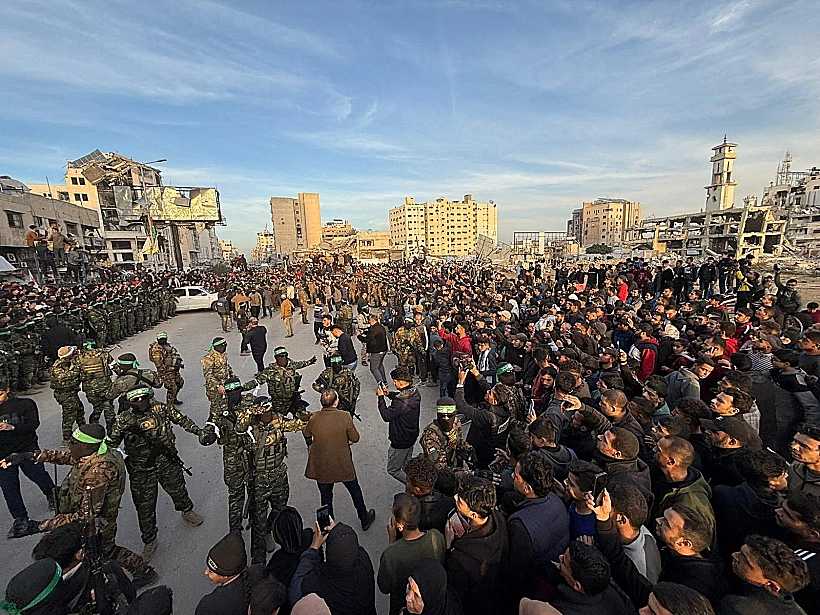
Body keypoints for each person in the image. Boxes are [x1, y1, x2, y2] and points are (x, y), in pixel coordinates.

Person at [106, 386, 215, 562]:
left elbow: (183, 421)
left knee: (178, 489)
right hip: (141, 469)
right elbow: (111, 444)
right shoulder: (124, 419)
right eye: (136, 400)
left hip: (167, 461)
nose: (141, 402)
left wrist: (200, 432)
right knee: (144, 506)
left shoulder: (162, 409)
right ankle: (149, 539)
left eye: (144, 398)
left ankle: (187, 511)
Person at [235, 396, 309, 565]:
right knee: (258, 521)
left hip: (278, 474)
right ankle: (258, 561)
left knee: (280, 508)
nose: (266, 412)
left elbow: (296, 425)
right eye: (263, 409)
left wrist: (304, 417)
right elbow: (238, 428)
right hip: (259, 478)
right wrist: (249, 411)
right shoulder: (249, 426)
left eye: (268, 408)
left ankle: (270, 529)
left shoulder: (278, 419)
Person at [303, 389, 376, 530]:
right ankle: (364, 518)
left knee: (325, 497)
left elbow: (306, 433)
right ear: (336, 402)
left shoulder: (314, 417)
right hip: (342, 462)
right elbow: (355, 438)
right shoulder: (345, 416)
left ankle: (327, 526)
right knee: (355, 490)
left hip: (322, 464)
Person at [507, 452, 569, 603]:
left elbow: (515, 572)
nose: (512, 477)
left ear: (527, 488)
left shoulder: (521, 526)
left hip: (535, 587)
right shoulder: (556, 500)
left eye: (516, 476)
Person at [444, 475, 508, 615]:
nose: (455, 498)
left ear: (473, 515)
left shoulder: (461, 559)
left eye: (460, 500)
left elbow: (455, 593)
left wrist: (448, 546)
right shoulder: (498, 519)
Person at [0, 385, 55, 539]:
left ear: (7, 390)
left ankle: (52, 493)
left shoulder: (25, 404)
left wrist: (12, 427)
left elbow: (33, 424)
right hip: (3, 455)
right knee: (9, 487)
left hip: (26, 448)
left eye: (0, 394)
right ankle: (20, 519)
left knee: (37, 475)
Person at [377, 492, 445, 614]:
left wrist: (392, 542)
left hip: (402, 604)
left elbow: (384, 587)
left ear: (400, 525)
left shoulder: (391, 554)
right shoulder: (436, 537)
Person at [290, 520, 377, 615]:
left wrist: (314, 548)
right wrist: (338, 532)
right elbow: (351, 547)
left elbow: (295, 593)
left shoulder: (317, 583)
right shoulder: (363, 561)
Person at [721, 534, 810, 615]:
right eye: (740, 552)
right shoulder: (799, 612)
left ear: (771, 585)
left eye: (746, 561)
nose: (734, 555)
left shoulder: (738, 607)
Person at [551, 541, 636, 615]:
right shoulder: (606, 585)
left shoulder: (561, 610)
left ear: (577, 585)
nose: (560, 557)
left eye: (563, 562)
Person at [378, 366, 421, 483]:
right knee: (407, 465)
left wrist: (381, 397)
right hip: (411, 435)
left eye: (395, 381)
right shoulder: (415, 393)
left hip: (400, 439)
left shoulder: (400, 403)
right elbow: (400, 395)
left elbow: (386, 416)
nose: (394, 383)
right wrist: (389, 394)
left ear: (400, 382)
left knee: (393, 469)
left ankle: (412, 485)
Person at [196, 532, 252, 615]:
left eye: (211, 571)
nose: (205, 572)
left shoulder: (209, 607)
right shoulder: (259, 574)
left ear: (225, 576)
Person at [405, 455, 455, 534]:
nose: (406, 484)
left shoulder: (411, 512)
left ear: (417, 489)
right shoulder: (451, 503)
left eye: (408, 481)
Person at [420, 397, 474, 471]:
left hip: (452, 461)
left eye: (450, 415)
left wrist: (468, 450)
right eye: (442, 415)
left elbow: (458, 441)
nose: (446, 418)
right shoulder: (430, 435)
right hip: (439, 472)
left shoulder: (456, 422)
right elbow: (438, 465)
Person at [50, 345, 85, 447]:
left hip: (70, 393)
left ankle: (83, 428)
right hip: (65, 394)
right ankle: (66, 439)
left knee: (79, 409)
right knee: (69, 415)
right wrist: (78, 369)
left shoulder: (66, 363)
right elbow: (68, 377)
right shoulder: (60, 366)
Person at [312, 353, 361, 419]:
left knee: (347, 420)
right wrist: (323, 390)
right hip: (332, 404)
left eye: (339, 363)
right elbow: (315, 384)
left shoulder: (348, 372)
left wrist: (354, 398)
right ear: (331, 364)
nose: (337, 365)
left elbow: (357, 384)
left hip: (346, 402)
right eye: (335, 363)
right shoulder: (328, 373)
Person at [148, 332, 185, 406]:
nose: (163, 340)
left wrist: (178, 362)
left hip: (173, 369)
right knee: (172, 387)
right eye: (161, 339)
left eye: (164, 338)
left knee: (179, 383)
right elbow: (159, 366)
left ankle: (173, 399)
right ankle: (170, 406)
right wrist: (172, 368)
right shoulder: (156, 350)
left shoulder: (167, 346)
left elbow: (173, 354)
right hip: (165, 372)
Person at [358, 313, 388, 384]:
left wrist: (359, 336)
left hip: (376, 351)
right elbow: (371, 332)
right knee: (380, 365)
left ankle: (381, 385)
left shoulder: (373, 329)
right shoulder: (380, 326)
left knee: (374, 368)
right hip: (383, 350)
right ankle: (384, 381)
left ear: (371, 320)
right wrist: (364, 331)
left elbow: (367, 339)